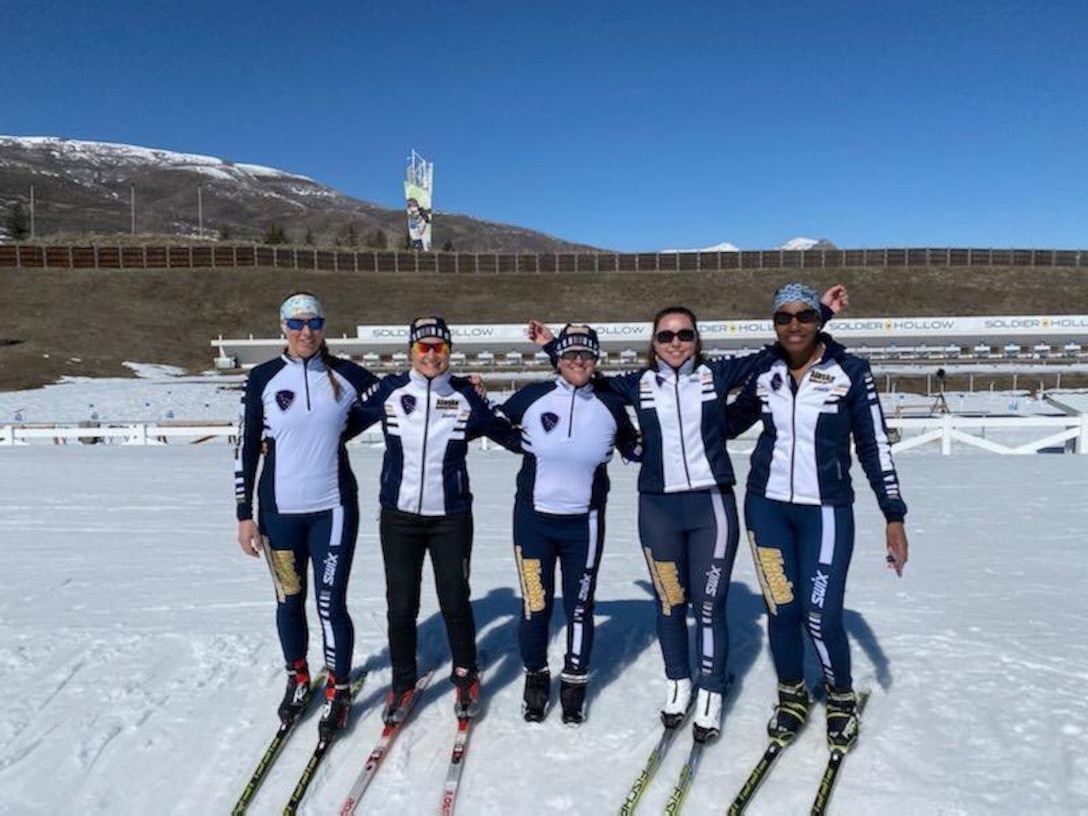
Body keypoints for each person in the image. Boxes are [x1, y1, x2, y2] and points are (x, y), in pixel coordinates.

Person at [528, 285, 846, 742]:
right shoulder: (635, 384)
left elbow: (779, 349)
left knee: (710, 605)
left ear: (696, 340)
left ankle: (712, 689)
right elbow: (582, 373)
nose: (675, 343)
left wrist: (825, 317)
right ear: (653, 343)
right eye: (665, 336)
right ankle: (679, 682)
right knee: (670, 602)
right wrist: (550, 348)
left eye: (684, 335)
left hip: (711, 506)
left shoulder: (717, 374)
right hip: (657, 507)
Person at [726, 282, 909, 753]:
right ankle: (791, 694)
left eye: (804, 316)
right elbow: (724, 424)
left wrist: (893, 513)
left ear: (818, 320)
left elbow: (873, 445)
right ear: (774, 324)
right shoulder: (765, 371)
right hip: (765, 507)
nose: (794, 325)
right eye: (782, 318)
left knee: (820, 615)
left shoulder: (850, 371)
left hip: (826, 511)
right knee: (782, 611)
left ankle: (840, 696)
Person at [350, 316, 521, 722]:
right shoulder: (391, 391)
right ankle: (403, 681)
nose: (431, 355)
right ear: (411, 351)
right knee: (401, 604)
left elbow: (508, 434)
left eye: (439, 348)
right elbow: (339, 425)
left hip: (451, 517)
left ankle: (465, 675)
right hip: (399, 517)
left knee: (454, 599)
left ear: (449, 353)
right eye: (424, 348)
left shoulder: (465, 395)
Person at [235, 292, 378, 739]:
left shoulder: (347, 374)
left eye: (313, 323)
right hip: (278, 513)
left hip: (333, 510)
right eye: (295, 324)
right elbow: (246, 449)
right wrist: (244, 514)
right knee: (289, 600)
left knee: (330, 603)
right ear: (282, 327)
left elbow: (391, 394)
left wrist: (340, 428)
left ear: (324, 326)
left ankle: (338, 687)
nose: (305, 332)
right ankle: (298, 677)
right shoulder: (262, 377)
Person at [496, 324, 642, 725]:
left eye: (586, 355)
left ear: (596, 361)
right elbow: (490, 421)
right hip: (533, 521)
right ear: (558, 360)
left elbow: (631, 444)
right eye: (570, 355)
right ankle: (536, 678)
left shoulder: (610, 403)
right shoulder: (533, 396)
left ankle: (575, 682)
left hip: (585, 525)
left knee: (579, 607)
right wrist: (515, 442)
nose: (578, 361)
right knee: (536, 605)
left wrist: (650, 446)